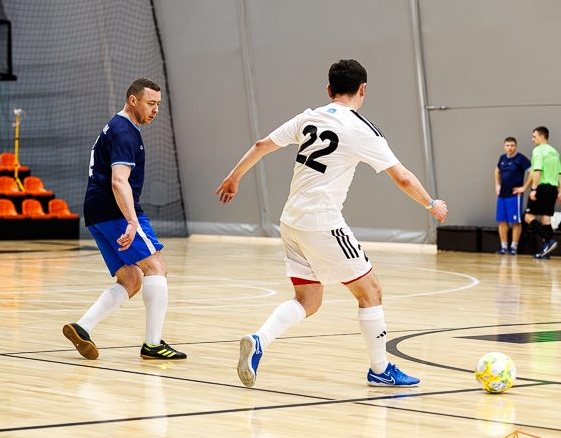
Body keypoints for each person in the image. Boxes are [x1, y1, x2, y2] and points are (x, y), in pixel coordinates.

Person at [215, 59, 447, 388]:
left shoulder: (310, 117)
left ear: (329, 90)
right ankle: (380, 370)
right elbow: (403, 178)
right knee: (371, 292)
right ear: (363, 89)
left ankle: (258, 341)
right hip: (321, 221)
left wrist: (233, 177)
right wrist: (431, 204)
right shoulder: (362, 129)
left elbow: (261, 146)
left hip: (291, 221)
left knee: (308, 300)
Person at [62, 78, 186, 360]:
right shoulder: (125, 132)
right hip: (114, 210)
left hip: (96, 211)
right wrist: (131, 220)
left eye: (158, 104)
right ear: (133, 100)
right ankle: (153, 344)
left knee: (131, 278)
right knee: (156, 266)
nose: (155, 110)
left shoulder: (116, 127)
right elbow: (119, 181)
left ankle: (82, 327)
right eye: (150, 103)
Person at [521, 126, 561, 258]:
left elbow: (537, 171)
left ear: (541, 137)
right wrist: (560, 190)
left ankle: (549, 241)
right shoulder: (555, 152)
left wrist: (533, 189)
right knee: (546, 219)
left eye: (534, 136)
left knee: (528, 217)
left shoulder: (538, 150)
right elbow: (559, 174)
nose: (532, 139)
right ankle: (546, 253)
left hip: (541, 187)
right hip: (553, 189)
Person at [494, 137, 531, 254]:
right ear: (504, 146)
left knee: (516, 222)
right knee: (502, 221)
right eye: (507, 145)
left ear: (516, 146)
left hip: (514, 196)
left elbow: (532, 173)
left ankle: (514, 247)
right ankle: (504, 247)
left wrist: (524, 187)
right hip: (502, 196)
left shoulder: (521, 159)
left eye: (512, 145)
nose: (509, 148)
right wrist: (497, 185)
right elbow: (497, 171)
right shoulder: (502, 158)